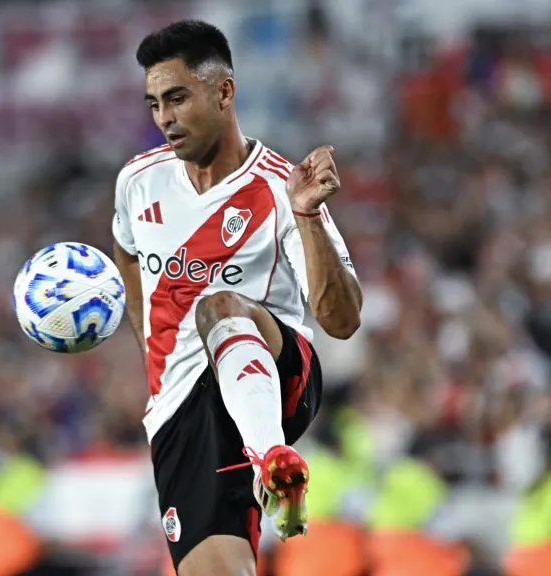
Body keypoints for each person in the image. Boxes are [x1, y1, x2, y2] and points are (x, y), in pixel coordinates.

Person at [110, 20, 363, 576]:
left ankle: (274, 460)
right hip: (184, 410)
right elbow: (126, 252)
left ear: (223, 92)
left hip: (279, 379)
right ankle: (266, 467)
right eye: (154, 103)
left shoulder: (281, 187)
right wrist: (151, 347)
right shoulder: (137, 182)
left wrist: (308, 216)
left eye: (177, 98)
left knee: (218, 306)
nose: (164, 119)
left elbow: (343, 320)